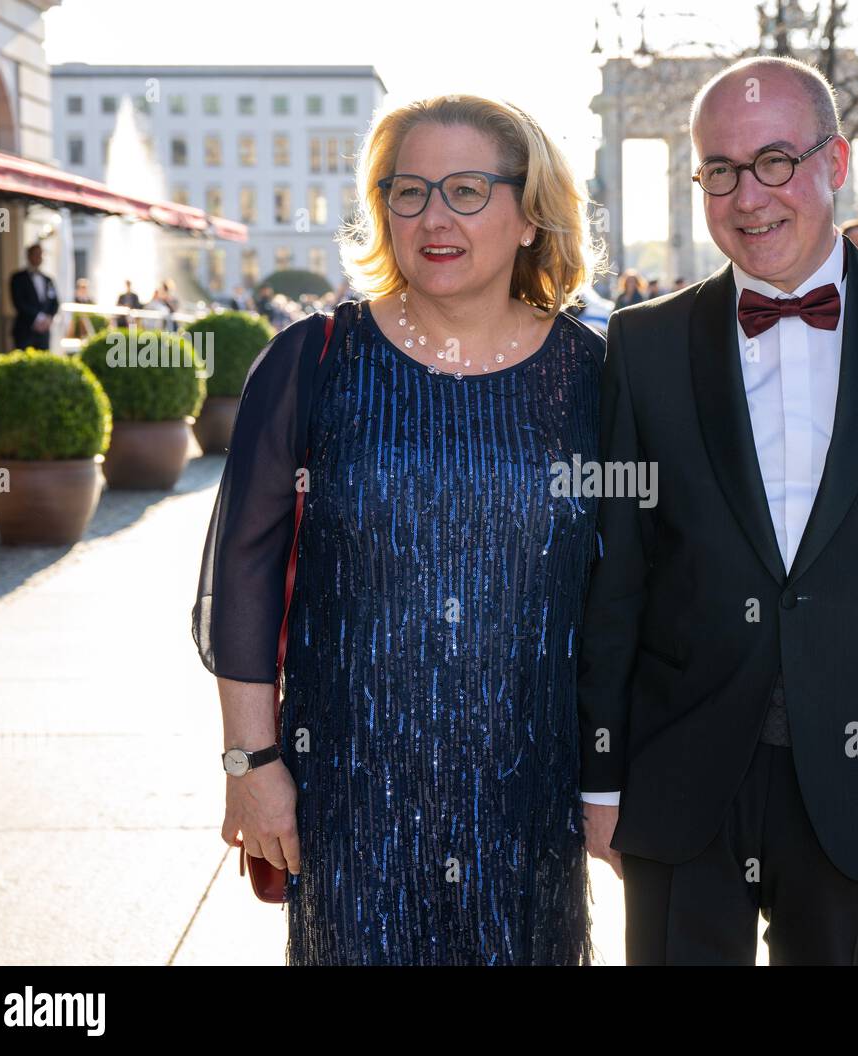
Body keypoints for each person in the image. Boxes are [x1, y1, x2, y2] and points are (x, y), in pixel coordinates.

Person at [577, 55, 858, 966]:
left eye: (776, 160)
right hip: (678, 771)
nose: (748, 197)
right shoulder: (642, 344)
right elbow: (617, 571)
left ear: (834, 164)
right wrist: (599, 770)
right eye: (720, 170)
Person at [191, 93, 606, 965]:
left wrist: (615, 775)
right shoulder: (313, 358)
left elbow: (634, 593)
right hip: (346, 797)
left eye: (465, 189)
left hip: (528, 796)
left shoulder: (595, 376)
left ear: (531, 215)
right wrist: (250, 765)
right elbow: (244, 576)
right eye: (407, 191)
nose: (432, 217)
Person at [8, 243, 59, 352]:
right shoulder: (18, 278)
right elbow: (19, 302)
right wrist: (38, 318)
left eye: (41, 254)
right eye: (36, 254)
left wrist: (48, 318)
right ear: (29, 256)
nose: (39, 257)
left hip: (44, 332)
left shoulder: (48, 280)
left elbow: (54, 302)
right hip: (25, 330)